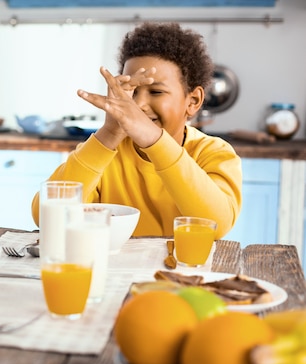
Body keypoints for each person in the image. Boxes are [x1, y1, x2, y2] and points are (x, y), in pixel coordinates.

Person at [31, 22, 242, 239]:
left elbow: (217, 224)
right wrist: (109, 134)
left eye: (156, 91)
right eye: (130, 91)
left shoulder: (213, 153)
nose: (138, 105)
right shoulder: (102, 154)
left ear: (194, 100)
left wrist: (154, 139)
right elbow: (46, 219)